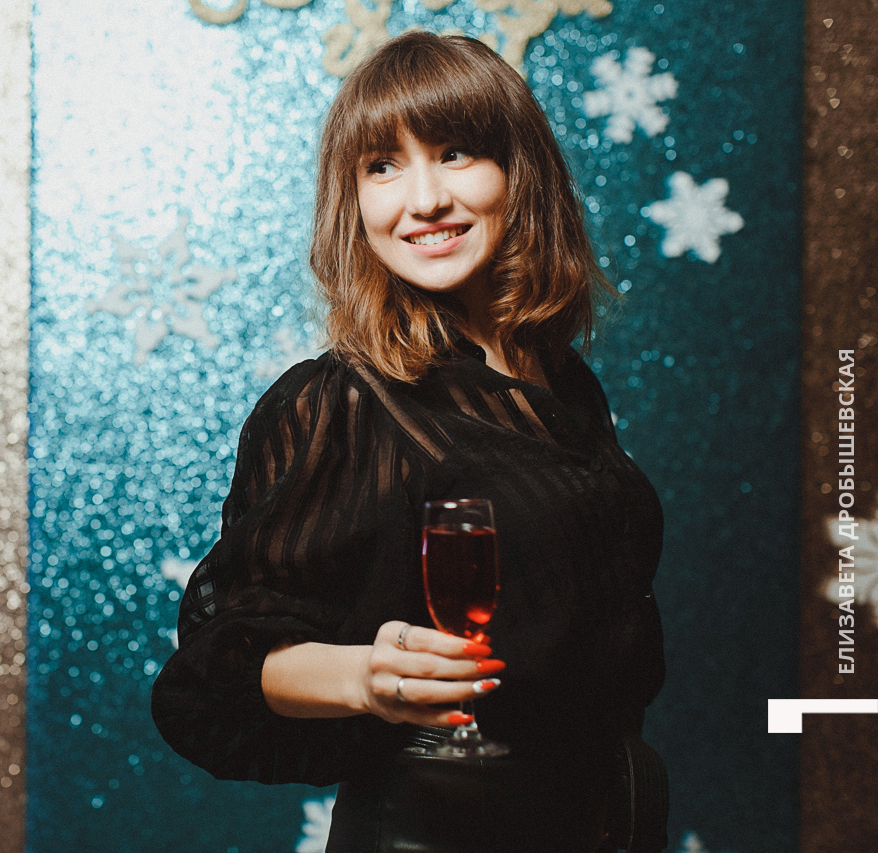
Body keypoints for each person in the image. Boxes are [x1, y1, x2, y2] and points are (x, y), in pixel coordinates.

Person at [151, 31, 666, 853]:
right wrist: (366, 676)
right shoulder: (342, 400)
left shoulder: (563, 383)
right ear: (353, 201)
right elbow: (214, 671)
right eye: (383, 166)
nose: (423, 199)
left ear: (519, 172)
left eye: (455, 153)